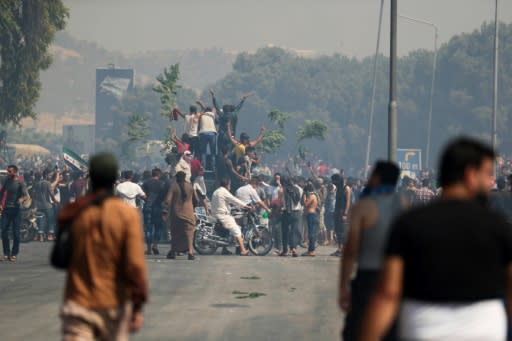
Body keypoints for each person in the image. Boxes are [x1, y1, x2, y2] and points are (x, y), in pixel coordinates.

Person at [360, 137, 512, 341]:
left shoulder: (409, 224)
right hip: (485, 330)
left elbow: (388, 293)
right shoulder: (498, 227)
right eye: (487, 174)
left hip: (424, 329)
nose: (489, 182)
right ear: (470, 174)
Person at [59, 153, 148, 340]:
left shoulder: (74, 211)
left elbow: (59, 259)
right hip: (114, 304)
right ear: (113, 180)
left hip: (79, 303)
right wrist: (137, 307)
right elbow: (135, 265)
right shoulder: (127, 216)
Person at [339, 161, 404, 341]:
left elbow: (350, 251)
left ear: (376, 178)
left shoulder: (364, 206)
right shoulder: (405, 204)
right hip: (399, 278)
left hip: (369, 278)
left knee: (357, 331)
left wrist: (343, 286)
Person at [211, 178, 252, 256]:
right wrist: (246, 206)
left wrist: (232, 207)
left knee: (226, 231)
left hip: (215, 214)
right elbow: (234, 200)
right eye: (229, 184)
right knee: (237, 230)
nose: (230, 186)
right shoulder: (224, 192)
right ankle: (243, 250)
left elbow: (223, 203)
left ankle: (224, 249)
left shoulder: (216, 191)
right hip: (223, 215)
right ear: (227, 184)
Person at [163, 171, 197, 260]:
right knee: (189, 233)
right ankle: (190, 252)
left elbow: (167, 200)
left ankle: (173, 251)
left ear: (176, 177)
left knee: (175, 233)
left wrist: (165, 212)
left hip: (176, 214)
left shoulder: (173, 186)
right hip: (189, 214)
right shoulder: (190, 186)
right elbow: (196, 200)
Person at [0, 165, 29, 262]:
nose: (8, 173)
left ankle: (14, 253)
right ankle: (6, 253)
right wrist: (0, 204)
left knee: (16, 234)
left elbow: (25, 196)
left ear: (15, 172)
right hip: (6, 210)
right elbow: (1, 192)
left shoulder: (20, 183)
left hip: (16, 210)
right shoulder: (7, 181)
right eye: (8, 171)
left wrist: (21, 199)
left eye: (9, 171)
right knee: (4, 232)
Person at [142, 168, 166, 255]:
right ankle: (155, 245)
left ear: (152, 174)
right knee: (158, 227)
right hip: (158, 207)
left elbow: (142, 194)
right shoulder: (162, 184)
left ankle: (148, 249)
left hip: (148, 207)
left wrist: (147, 200)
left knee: (148, 228)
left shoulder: (146, 183)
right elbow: (164, 197)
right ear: (158, 175)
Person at [279, 176, 303, 257]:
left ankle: (285, 250)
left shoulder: (282, 190)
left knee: (285, 231)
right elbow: (301, 201)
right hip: (297, 212)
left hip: (286, 212)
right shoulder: (298, 189)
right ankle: (294, 249)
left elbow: (280, 203)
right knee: (294, 231)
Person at [31, 171, 57, 242]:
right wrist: (55, 201)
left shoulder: (35, 184)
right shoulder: (47, 183)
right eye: (49, 175)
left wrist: (34, 205)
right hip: (47, 205)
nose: (50, 176)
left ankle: (41, 236)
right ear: (46, 175)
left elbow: (33, 195)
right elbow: (51, 193)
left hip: (38, 206)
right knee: (51, 220)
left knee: (41, 221)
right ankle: (50, 236)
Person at [331, 173, 351, 257]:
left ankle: (343, 249)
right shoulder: (338, 188)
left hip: (343, 212)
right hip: (337, 211)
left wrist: (345, 213)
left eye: (334, 180)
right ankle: (339, 248)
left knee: (342, 231)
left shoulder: (346, 188)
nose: (333, 182)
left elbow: (348, 201)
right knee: (338, 230)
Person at [302, 182, 319, 257]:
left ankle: (311, 250)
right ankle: (311, 250)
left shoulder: (312, 196)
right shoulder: (314, 195)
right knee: (311, 233)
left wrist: (304, 196)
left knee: (311, 233)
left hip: (311, 215)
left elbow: (305, 204)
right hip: (312, 215)